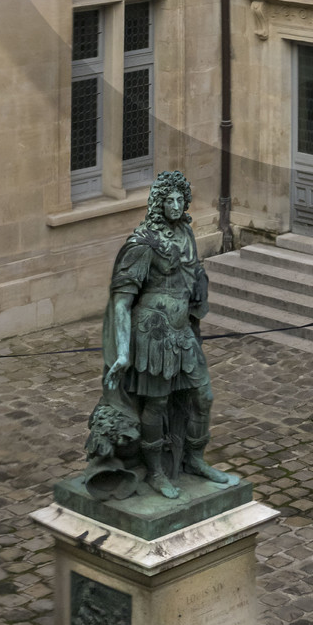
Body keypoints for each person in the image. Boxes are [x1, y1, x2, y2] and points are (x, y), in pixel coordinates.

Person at [87, 170, 240, 501]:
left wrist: (200, 288)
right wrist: (123, 353)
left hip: (181, 332)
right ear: (158, 202)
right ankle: (156, 471)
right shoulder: (143, 243)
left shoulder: (186, 233)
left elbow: (194, 274)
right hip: (152, 335)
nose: (175, 204)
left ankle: (194, 459)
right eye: (168, 199)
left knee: (203, 397)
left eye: (180, 199)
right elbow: (121, 301)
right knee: (156, 404)